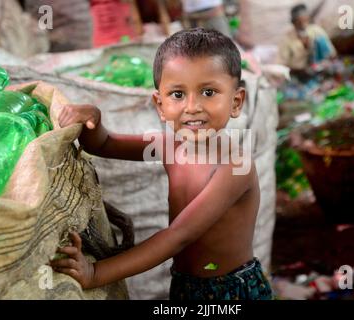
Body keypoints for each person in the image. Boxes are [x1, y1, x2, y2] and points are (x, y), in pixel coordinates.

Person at [50, 28, 274, 300]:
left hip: (230, 290)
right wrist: (93, 120)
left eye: (208, 92)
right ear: (160, 104)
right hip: (185, 285)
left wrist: (96, 273)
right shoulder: (169, 146)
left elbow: (179, 235)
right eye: (178, 95)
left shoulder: (235, 165)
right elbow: (104, 144)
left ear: (236, 101)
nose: (192, 106)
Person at [278, 3, 336, 76]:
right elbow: (282, 65)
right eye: (299, 22)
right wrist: (300, 71)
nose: (303, 25)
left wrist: (325, 63)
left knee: (319, 40)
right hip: (299, 74)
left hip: (321, 70)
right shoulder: (287, 40)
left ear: (308, 19)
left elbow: (332, 54)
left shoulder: (317, 31)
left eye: (305, 20)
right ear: (293, 23)